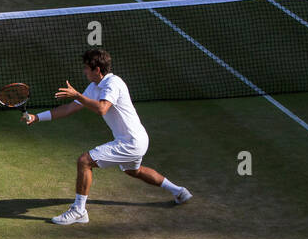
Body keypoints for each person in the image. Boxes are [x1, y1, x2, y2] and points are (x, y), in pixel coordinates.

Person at [25, 49, 191, 225]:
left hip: (131, 142)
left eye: (87, 68)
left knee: (84, 161)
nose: (84, 71)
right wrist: (36, 117)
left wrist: (77, 95)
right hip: (137, 139)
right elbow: (68, 108)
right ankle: (179, 191)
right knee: (134, 171)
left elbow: (102, 108)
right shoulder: (94, 86)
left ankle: (79, 211)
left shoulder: (113, 83)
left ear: (97, 70)